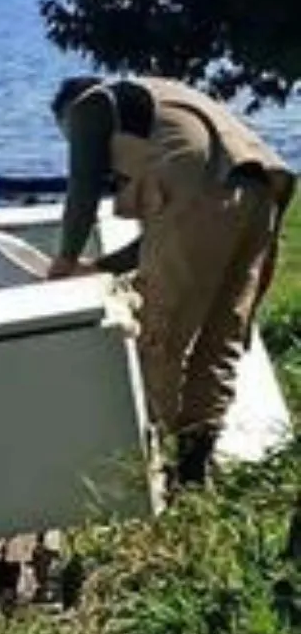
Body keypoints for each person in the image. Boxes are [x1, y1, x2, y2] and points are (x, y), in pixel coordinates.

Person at [46, 75, 294, 488]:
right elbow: (184, 226)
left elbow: (83, 189)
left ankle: (152, 470)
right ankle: (196, 470)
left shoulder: (89, 107)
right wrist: (105, 266)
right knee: (220, 338)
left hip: (209, 192)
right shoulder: (162, 101)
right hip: (262, 190)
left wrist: (64, 262)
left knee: (159, 335)